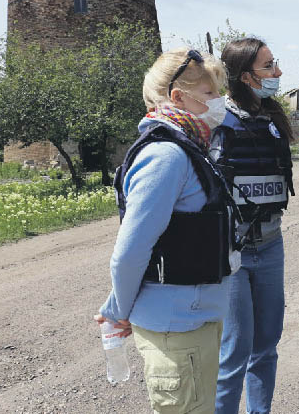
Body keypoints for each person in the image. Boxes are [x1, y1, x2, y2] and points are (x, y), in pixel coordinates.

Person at [95, 48, 240, 414]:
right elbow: (130, 251)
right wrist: (118, 309)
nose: (220, 102)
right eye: (210, 94)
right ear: (179, 97)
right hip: (177, 324)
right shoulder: (166, 156)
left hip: (195, 320)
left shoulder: (191, 148)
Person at [210, 38, 294, 414]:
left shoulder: (273, 119)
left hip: (271, 245)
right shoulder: (215, 120)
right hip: (232, 252)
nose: (277, 73)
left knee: (266, 345)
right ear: (246, 76)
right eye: (269, 66)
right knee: (235, 350)